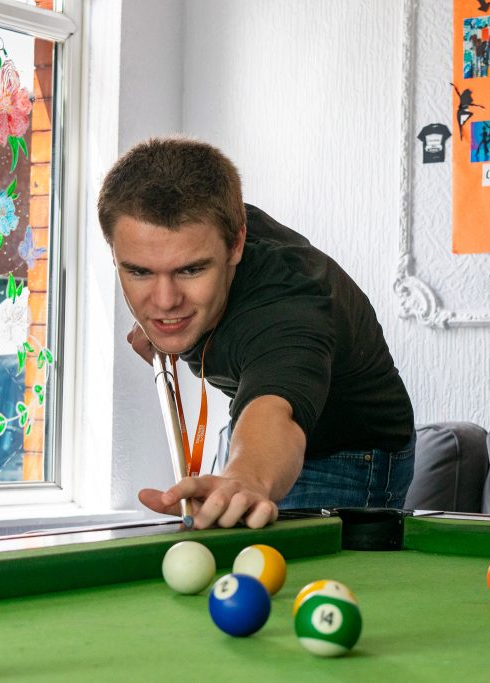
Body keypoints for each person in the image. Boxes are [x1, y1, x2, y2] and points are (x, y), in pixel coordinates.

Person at [97, 136, 414, 530]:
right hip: (247, 430)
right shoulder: (210, 220)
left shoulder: (288, 304)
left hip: (347, 451)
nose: (164, 302)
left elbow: (273, 411)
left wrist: (246, 477)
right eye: (140, 271)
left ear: (236, 243)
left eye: (191, 270)